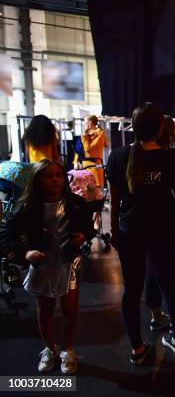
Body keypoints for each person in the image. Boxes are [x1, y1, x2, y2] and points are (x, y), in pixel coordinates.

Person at [107, 103, 175, 363]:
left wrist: (113, 230)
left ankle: (137, 349)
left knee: (132, 290)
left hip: (129, 233)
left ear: (133, 128)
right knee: (171, 286)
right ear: (161, 128)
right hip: (165, 232)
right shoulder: (171, 158)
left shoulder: (117, 156)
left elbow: (115, 202)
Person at [10, 159, 94, 374]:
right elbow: (7, 234)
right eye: (49, 176)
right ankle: (49, 348)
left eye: (58, 175)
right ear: (38, 180)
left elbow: (88, 226)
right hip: (42, 263)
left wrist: (84, 235)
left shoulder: (75, 202)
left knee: (70, 309)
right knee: (45, 308)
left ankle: (67, 349)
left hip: (67, 261)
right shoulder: (27, 206)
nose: (55, 179)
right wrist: (24, 252)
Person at [75, 115, 107, 187]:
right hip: (83, 166)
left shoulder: (100, 134)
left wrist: (84, 136)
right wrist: (76, 161)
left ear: (90, 123)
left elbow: (88, 150)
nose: (84, 124)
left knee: (95, 189)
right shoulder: (85, 135)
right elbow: (78, 150)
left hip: (94, 166)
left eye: (85, 122)